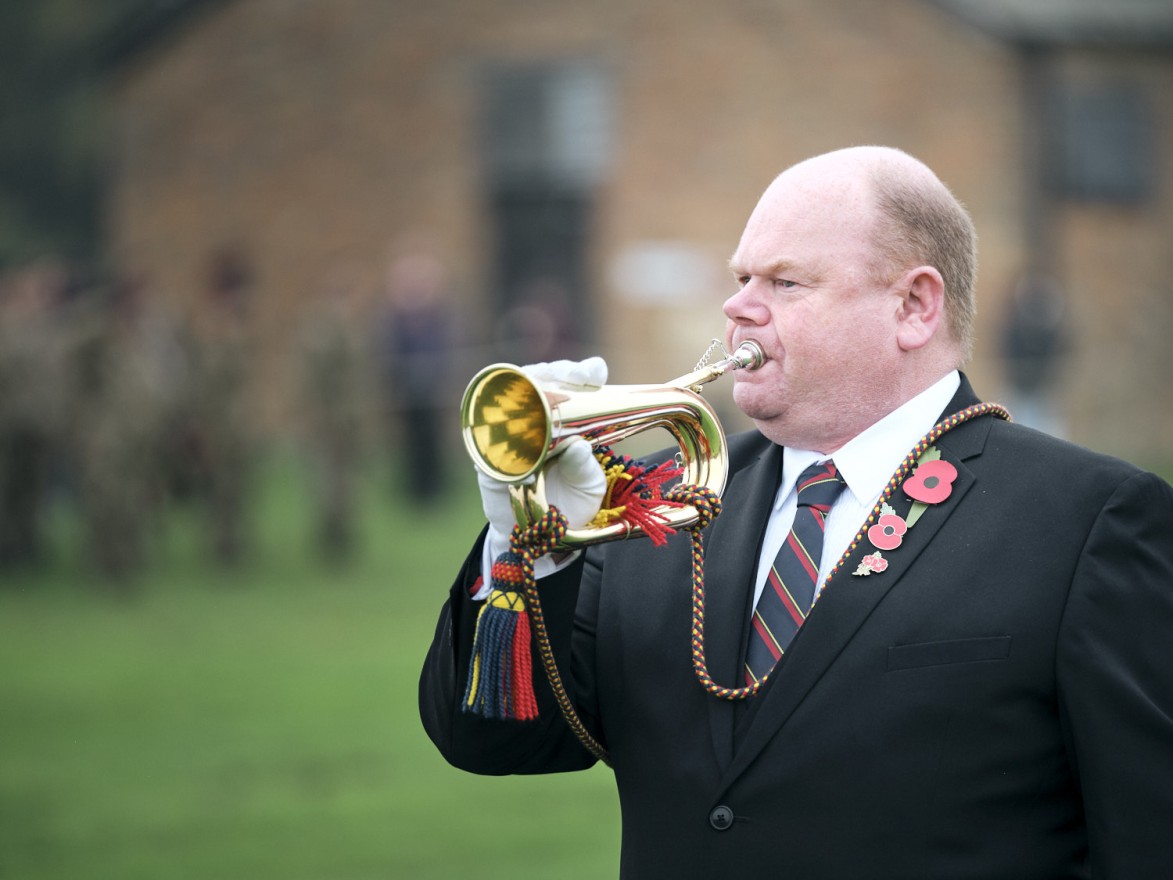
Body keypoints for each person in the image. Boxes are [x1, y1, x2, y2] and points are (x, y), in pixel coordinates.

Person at [419, 146, 1173, 878]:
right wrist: (526, 543)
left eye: (784, 283)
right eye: (741, 276)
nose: (737, 306)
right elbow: (490, 743)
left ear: (912, 307)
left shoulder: (1090, 521)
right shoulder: (651, 505)